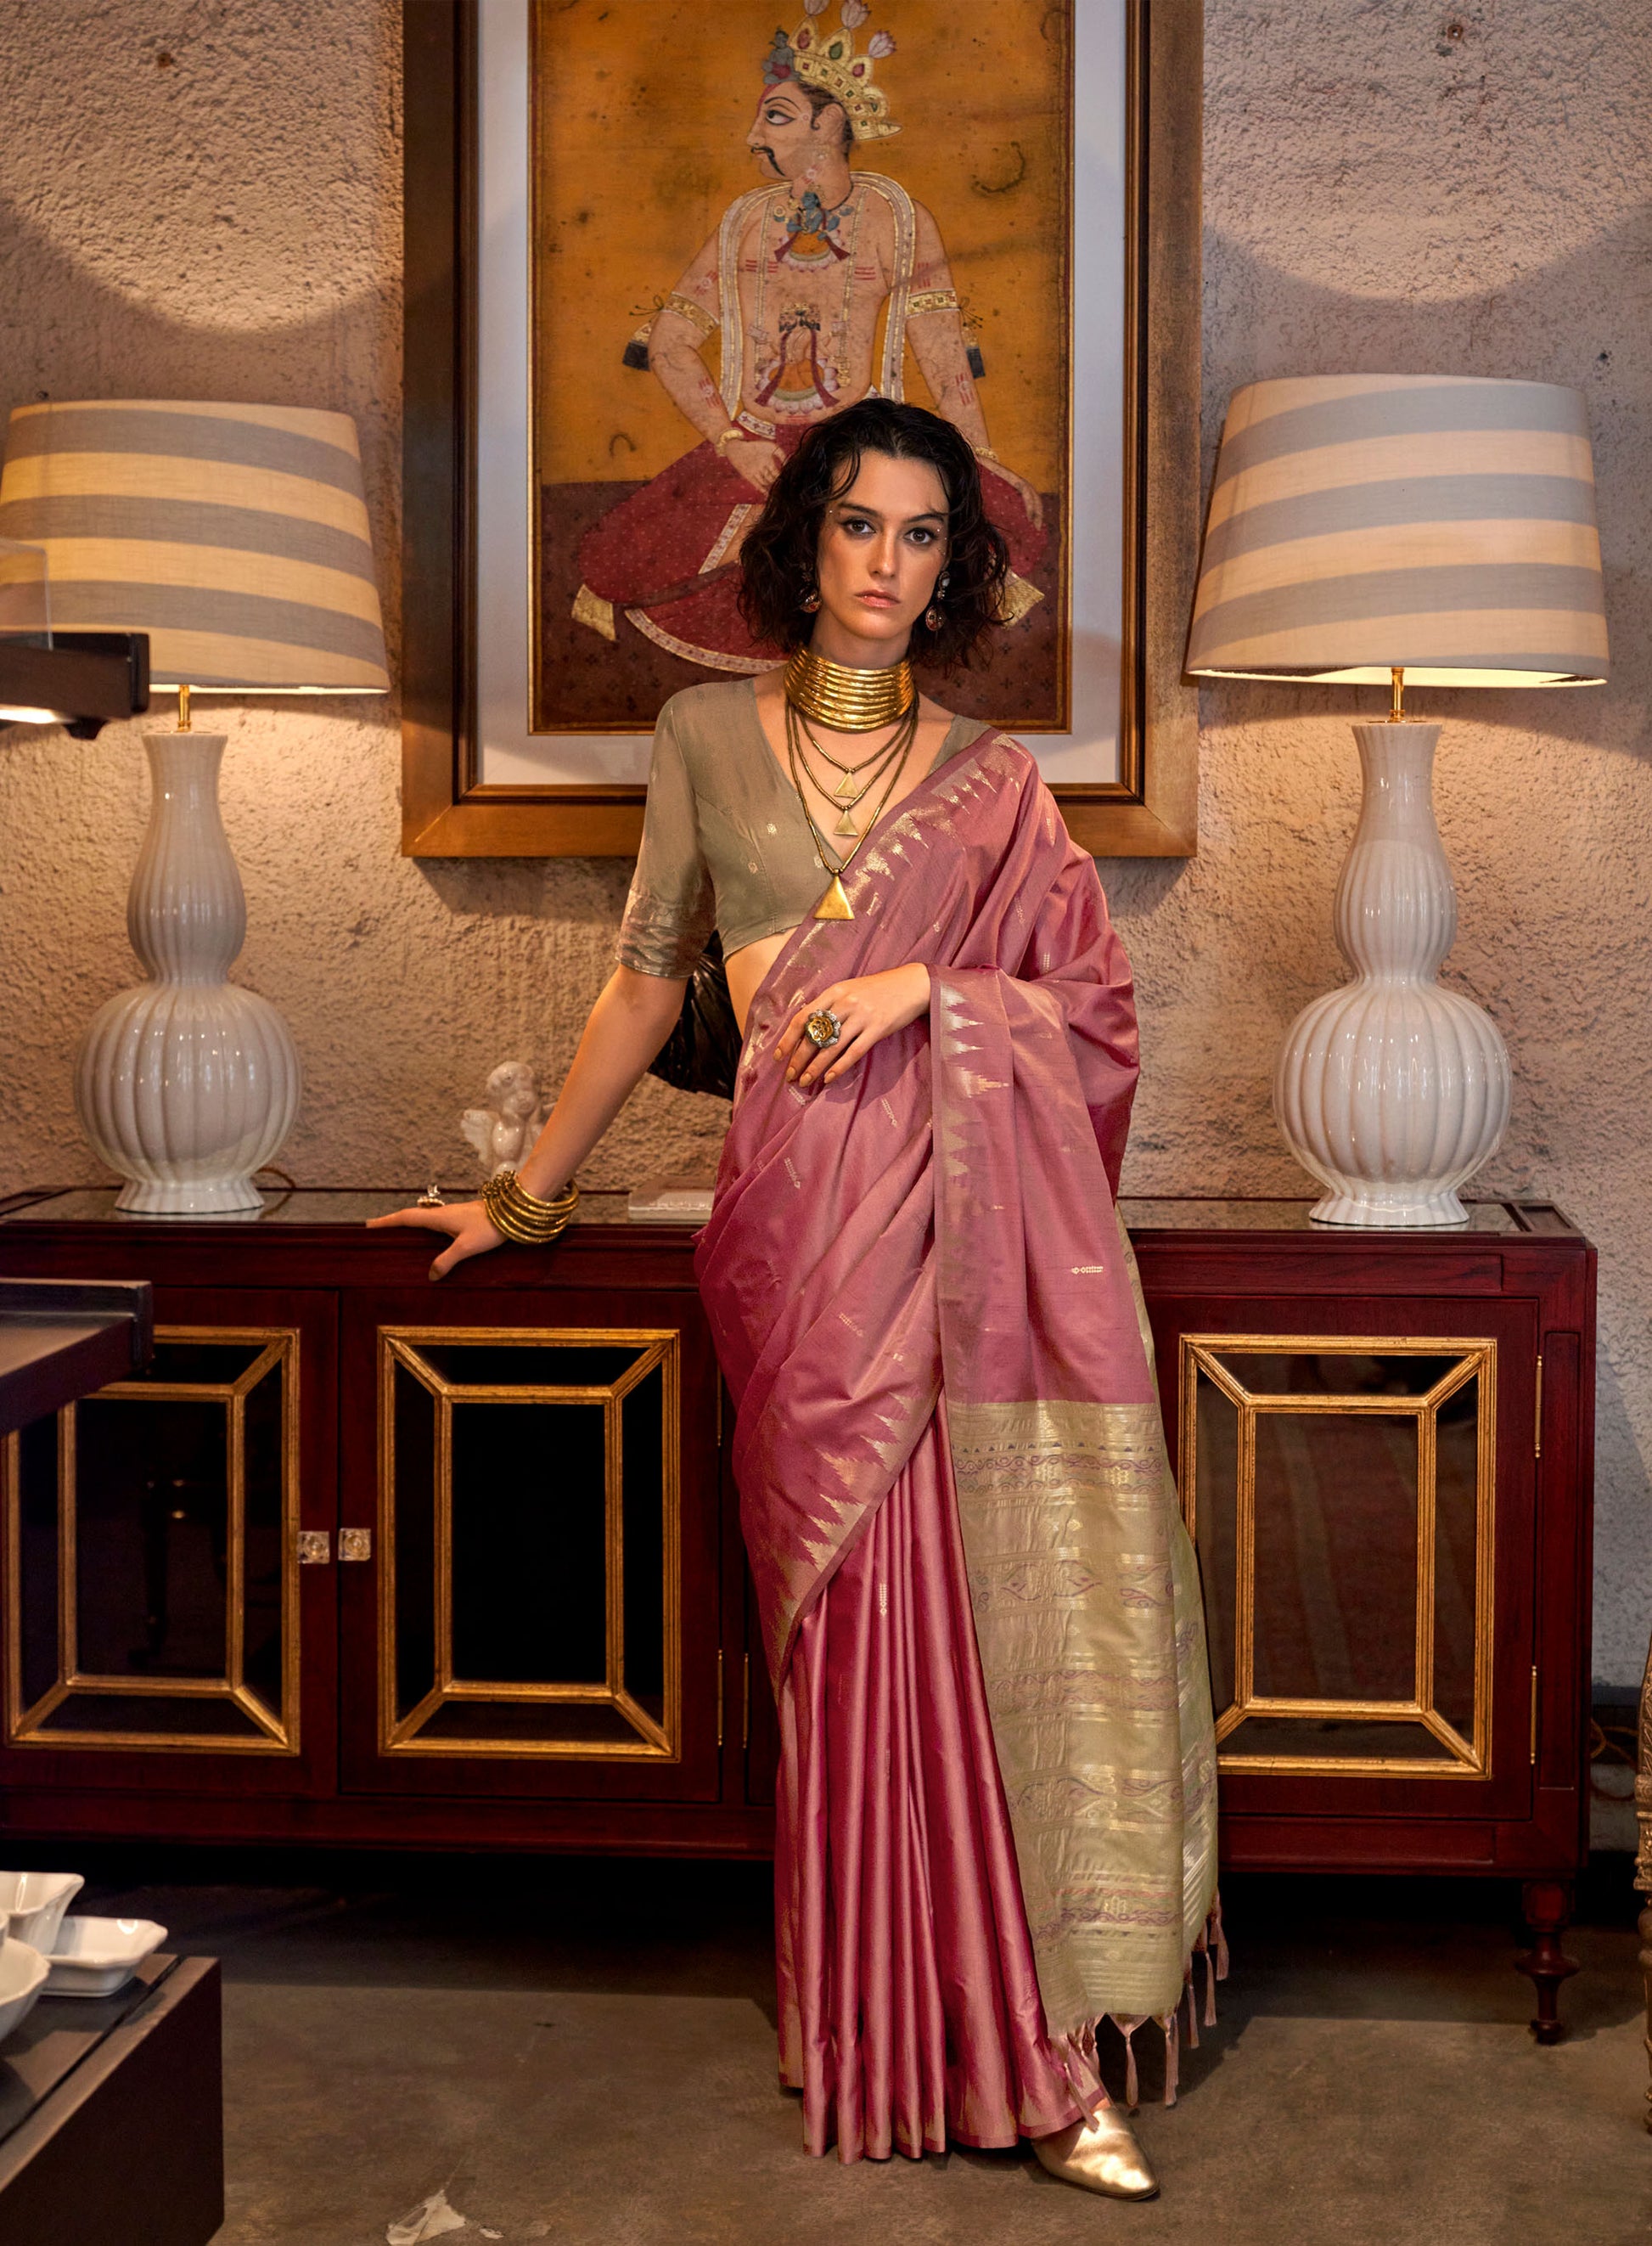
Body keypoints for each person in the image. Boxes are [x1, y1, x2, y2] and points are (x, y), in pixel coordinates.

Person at [374, 397, 1221, 2200]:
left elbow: (1092, 1013)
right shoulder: (700, 732)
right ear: (802, 540)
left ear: (952, 566)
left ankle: (1034, 2051)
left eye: (922, 534)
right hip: (799, 1232)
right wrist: (526, 1194)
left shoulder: (994, 782)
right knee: (843, 1638)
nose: (884, 564)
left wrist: (925, 989)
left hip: (954, 1236)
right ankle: (865, 2017)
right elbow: (640, 983)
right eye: (856, 523)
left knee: (967, 1629)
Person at [570, 0, 1048, 672]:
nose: (752, 137)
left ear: (829, 123)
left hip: (864, 449)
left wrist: (981, 454)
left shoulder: (896, 217)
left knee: (1000, 525)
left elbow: (941, 351)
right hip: (757, 447)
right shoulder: (744, 221)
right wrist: (731, 441)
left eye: (775, 116)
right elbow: (670, 342)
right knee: (616, 556)